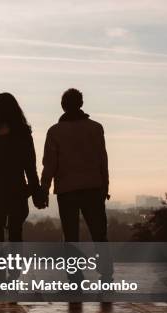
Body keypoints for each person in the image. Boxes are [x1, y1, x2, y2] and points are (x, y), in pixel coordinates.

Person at [40, 88, 110, 242]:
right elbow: (102, 161)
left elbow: (49, 164)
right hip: (93, 188)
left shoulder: (54, 132)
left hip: (66, 190)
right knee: (99, 236)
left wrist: (44, 190)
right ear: (81, 104)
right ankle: (104, 266)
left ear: (62, 105)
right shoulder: (96, 128)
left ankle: (74, 266)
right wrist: (105, 187)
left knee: (71, 238)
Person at [0, 93, 45, 242]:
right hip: (16, 188)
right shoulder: (23, 133)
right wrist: (36, 192)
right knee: (16, 234)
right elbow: (30, 167)